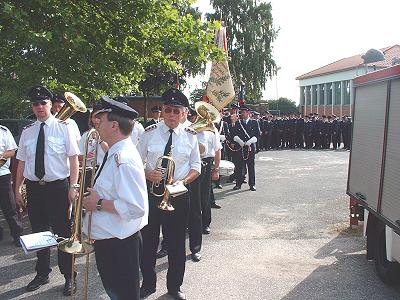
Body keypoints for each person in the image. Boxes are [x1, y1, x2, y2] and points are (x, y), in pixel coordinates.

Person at [14, 85, 80, 295]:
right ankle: (42, 272)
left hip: (58, 188)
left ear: (51, 104)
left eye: (44, 103)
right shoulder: (27, 132)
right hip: (34, 188)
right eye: (36, 104)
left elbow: (73, 160)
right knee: (39, 232)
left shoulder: (64, 127)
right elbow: (22, 163)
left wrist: (73, 186)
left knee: (62, 233)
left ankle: (69, 276)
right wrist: (17, 189)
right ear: (32, 107)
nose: (40, 107)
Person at [138, 88, 201, 300]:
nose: (172, 115)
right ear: (163, 111)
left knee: (175, 244)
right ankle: (148, 284)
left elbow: (196, 166)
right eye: (168, 110)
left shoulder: (192, 136)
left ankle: (175, 287)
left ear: (184, 113)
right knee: (148, 243)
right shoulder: (149, 133)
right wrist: (148, 173)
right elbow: (135, 162)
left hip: (179, 195)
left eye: (176, 111)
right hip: (153, 194)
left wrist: (183, 180)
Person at [82, 96, 148, 300]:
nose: (96, 122)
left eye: (100, 118)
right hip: (112, 241)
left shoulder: (124, 159)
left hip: (119, 244)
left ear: (113, 125)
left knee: (124, 295)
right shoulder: (115, 152)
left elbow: (136, 207)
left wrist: (98, 203)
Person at [0, 125, 23, 247]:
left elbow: (13, 151)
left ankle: (17, 234)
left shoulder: (3, 131)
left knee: (9, 207)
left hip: (2, 174)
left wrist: (1, 156)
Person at [231, 105, 260, 191]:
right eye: (241, 112)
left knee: (251, 166)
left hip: (250, 148)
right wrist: (239, 141)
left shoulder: (254, 122)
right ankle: (238, 183)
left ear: (248, 113)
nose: (241, 114)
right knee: (239, 166)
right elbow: (233, 134)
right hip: (240, 147)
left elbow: (257, 135)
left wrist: (250, 141)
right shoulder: (238, 123)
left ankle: (252, 184)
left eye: (243, 112)